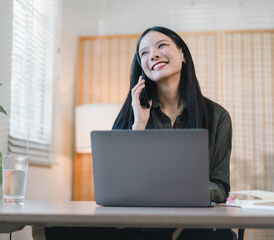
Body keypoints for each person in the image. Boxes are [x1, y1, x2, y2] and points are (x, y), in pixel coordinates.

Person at [45, 26, 234, 240]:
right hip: (140, 223)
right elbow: (116, 184)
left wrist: (175, 194)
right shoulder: (131, 115)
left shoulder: (217, 117)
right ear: (141, 65)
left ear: (182, 54)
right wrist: (138, 126)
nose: (152, 54)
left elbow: (219, 187)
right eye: (143, 53)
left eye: (161, 45)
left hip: (194, 224)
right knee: (57, 229)